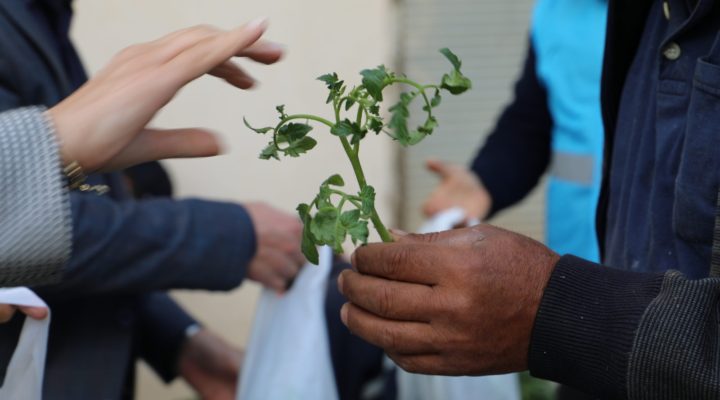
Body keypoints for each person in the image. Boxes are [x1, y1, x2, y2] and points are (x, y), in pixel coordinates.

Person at [338, 1, 720, 399]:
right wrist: (486, 181)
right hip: (583, 269)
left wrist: (547, 306)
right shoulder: (561, 10)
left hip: (664, 329)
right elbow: (532, 116)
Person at [0, 2, 302, 398]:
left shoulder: (43, 18)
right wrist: (230, 235)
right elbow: (32, 221)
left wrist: (181, 342)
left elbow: (42, 230)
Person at [423, 0, 607, 263]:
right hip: (575, 245)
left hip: (655, 263)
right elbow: (532, 120)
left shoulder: (672, 16)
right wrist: (486, 182)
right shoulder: (555, 8)